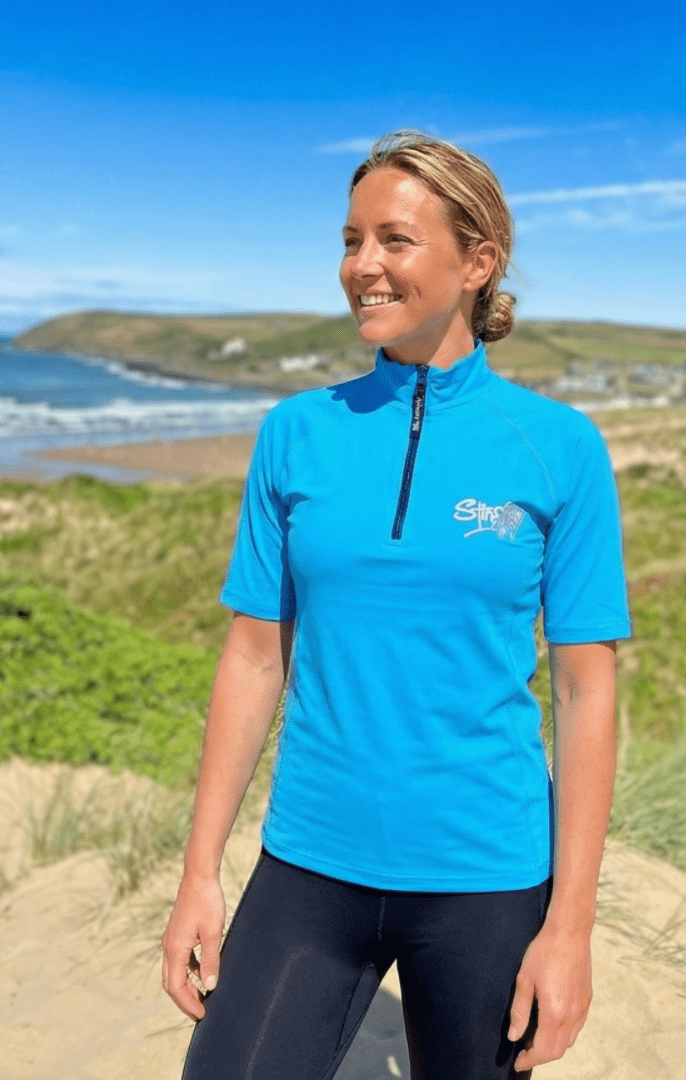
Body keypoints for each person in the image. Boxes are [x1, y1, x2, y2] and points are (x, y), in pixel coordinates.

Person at [161, 130, 631, 1080]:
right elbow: (255, 656)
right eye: (350, 239)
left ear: (477, 262)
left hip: (487, 872)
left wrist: (570, 927)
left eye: (395, 240)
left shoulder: (558, 447)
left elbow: (585, 691)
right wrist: (199, 873)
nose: (362, 267)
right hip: (310, 860)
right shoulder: (296, 433)